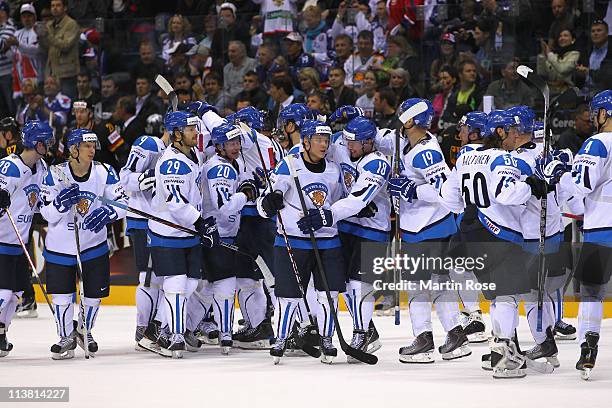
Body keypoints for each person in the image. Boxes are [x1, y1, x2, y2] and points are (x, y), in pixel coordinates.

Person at [386, 98, 471, 364]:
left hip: (428, 227)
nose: (398, 119)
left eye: (402, 116)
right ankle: (455, 334)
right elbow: (383, 138)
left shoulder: (426, 153)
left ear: (411, 121)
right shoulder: (410, 142)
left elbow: (445, 190)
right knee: (437, 282)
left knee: (418, 285)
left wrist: (412, 190)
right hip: (425, 226)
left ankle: (424, 338)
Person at [260, 120, 345, 364]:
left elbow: (338, 202)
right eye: (318, 140)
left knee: (328, 294)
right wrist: (272, 199)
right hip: (293, 241)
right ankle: (282, 337)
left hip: (327, 240)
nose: (324, 145)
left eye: (326, 140)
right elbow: (276, 191)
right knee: (289, 296)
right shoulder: (290, 164)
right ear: (305, 141)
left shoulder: (333, 170)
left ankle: (327, 338)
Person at [40, 128, 128, 359]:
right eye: (87, 145)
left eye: (93, 145)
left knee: (93, 293)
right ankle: (66, 334)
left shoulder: (104, 171)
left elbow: (123, 202)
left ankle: (84, 329)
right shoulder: (55, 174)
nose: (92, 149)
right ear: (73, 149)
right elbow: (46, 213)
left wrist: (109, 212)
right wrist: (59, 205)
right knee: (61, 294)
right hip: (61, 245)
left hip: (93, 244)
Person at [316, 115, 389, 360]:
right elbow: (322, 145)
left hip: (373, 231)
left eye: (355, 142)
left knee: (360, 285)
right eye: (347, 140)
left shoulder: (378, 163)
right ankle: (367, 329)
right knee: (345, 285)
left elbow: (358, 200)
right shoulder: (343, 146)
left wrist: (328, 215)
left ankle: (361, 332)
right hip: (346, 227)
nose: (350, 146)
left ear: (369, 142)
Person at [147, 110, 219, 358]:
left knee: (189, 284)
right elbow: (176, 203)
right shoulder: (172, 163)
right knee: (177, 283)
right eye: (190, 129)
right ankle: (174, 335)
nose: (195, 133)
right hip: (169, 232)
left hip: (188, 232)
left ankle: (166, 329)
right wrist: (200, 222)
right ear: (177, 134)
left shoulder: (194, 154)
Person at [556, 89, 612, 379]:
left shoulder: (597, 143)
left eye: (597, 112)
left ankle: (588, 346)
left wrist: (559, 173)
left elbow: (581, 187)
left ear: (604, 114)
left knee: (591, 292)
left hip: (602, 229)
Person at [202, 122, 261, 354]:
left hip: (219, 233)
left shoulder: (229, 164)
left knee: (208, 287)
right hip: (217, 233)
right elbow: (225, 207)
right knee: (220, 286)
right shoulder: (221, 169)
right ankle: (222, 332)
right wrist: (245, 194)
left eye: (237, 142)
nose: (235, 146)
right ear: (218, 146)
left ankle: (192, 329)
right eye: (230, 143)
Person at [0, 121, 54, 357]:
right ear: (36, 143)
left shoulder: (42, 168)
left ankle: (2, 333)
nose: (50, 145)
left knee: (16, 294)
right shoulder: (9, 167)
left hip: (19, 243)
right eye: (47, 142)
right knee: (2, 294)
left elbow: (42, 203)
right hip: (1, 241)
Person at [119, 115, 171, 352]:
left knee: (164, 278)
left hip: (166, 223)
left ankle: (158, 327)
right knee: (149, 278)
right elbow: (124, 177)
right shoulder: (148, 145)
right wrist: (143, 179)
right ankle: (143, 327)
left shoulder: (179, 152)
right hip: (144, 221)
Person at [39, 0, 80, 98]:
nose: (54, 8)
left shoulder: (71, 24)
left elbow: (66, 46)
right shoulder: (49, 25)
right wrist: (41, 37)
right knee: (53, 103)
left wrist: (48, 36)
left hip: (67, 73)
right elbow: (45, 47)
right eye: (52, 6)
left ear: (65, 8)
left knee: (68, 102)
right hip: (52, 72)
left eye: (58, 5)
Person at [537, 29, 580, 96]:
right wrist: (543, 54)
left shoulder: (575, 54)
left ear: (573, 40)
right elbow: (542, 73)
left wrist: (549, 54)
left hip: (567, 93)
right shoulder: (554, 56)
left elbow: (563, 69)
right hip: (550, 92)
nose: (562, 38)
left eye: (565, 35)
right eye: (560, 36)